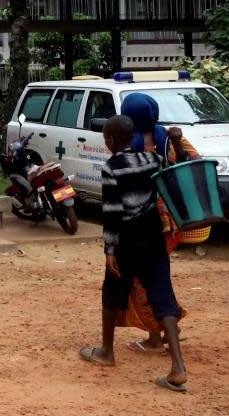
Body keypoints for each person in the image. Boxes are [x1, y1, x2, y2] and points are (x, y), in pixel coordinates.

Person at [79, 115, 188, 393]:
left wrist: (110, 250)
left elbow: (113, 212)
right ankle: (178, 367)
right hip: (153, 238)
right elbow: (178, 169)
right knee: (164, 298)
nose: (105, 143)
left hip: (127, 241)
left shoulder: (112, 167)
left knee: (112, 293)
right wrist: (176, 141)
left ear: (113, 141)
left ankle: (106, 352)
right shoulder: (151, 160)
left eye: (105, 138)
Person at [120, 92, 198, 354]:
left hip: (145, 223)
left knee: (143, 280)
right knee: (154, 277)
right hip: (171, 222)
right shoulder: (169, 137)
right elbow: (194, 164)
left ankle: (158, 335)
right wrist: (176, 143)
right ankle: (167, 326)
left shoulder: (128, 143)